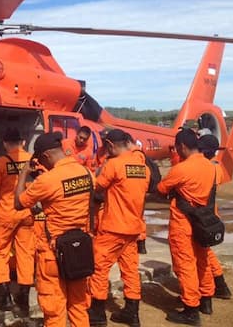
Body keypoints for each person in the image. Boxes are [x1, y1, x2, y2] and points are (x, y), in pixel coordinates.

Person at [15, 132, 94, 327]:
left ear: (46, 156)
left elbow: (19, 203)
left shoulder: (47, 180)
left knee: (54, 309)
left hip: (53, 253)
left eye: (42, 160)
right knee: (78, 305)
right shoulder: (86, 173)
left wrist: (24, 172)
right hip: (81, 248)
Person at [87, 129, 150, 327]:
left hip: (113, 227)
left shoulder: (113, 164)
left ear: (111, 144)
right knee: (130, 270)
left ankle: (97, 313)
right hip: (133, 229)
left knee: (99, 268)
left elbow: (98, 190)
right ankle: (132, 312)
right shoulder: (143, 168)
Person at [157, 128, 217, 325]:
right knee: (203, 260)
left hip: (183, 223)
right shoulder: (209, 166)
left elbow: (161, 189)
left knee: (185, 265)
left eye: (177, 148)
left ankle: (191, 308)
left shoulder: (181, 169)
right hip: (204, 221)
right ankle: (206, 298)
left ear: (182, 146)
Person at [0, 128, 36, 317]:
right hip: (27, 213)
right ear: (22, 142)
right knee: (26, 255)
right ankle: (24, 300)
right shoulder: (32, 160)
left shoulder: (0, 162)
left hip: (6, 214)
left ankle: (3, 297)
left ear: (5, 143)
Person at [198, 134, 233, 298]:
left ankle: (215, 287)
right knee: (207, 252)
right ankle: (220, 284)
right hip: (211, 214)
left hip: (201, 216)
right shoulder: (217, 168)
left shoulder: (202, 168)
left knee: (203, 254)